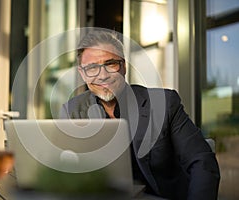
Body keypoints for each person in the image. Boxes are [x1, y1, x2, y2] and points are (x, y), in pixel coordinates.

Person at [59, 30, 220, 200]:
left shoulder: (164, 103)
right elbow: (64, 171)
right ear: (82, 73)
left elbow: (202, 162)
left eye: (110, 64)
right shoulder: (72, 111)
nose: (103, 75)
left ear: (123, 66)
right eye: (92, 68)